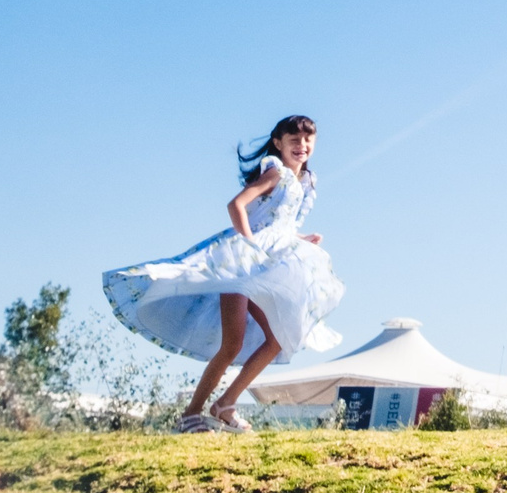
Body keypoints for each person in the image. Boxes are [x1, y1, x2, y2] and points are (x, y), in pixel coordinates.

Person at [103, 115, 345, 433]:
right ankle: (190, 414)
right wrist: (249, 248)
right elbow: (237, 206)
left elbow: (275, 225)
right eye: (294, 140)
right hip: (241, 265)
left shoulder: (305, 183)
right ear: (278, 143)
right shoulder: (276, 173)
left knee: (277, 339)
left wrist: (301, 239)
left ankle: (224, 405)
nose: (302, 146)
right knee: (232, 344)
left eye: (307, 140)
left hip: (267, 263)